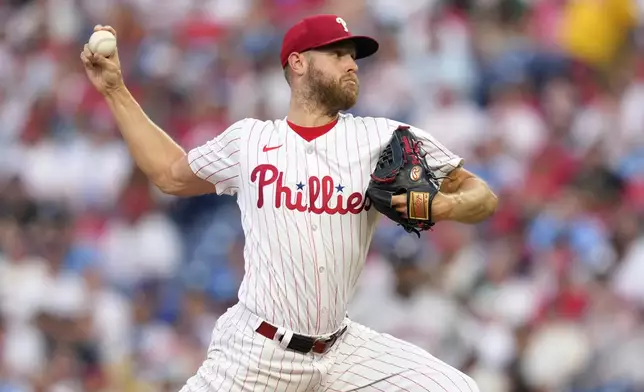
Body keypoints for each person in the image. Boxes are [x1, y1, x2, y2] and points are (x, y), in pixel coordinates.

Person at [80, 14, 497, 392]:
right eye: (337, 54)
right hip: (258, 351)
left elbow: (482, 195)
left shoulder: (382, 138)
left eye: (353, 56)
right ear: (298, 64)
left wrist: (442, 207)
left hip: (341, 349)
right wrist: (115, 90)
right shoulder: (250, 141)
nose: (352, 64)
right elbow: (169, 174)